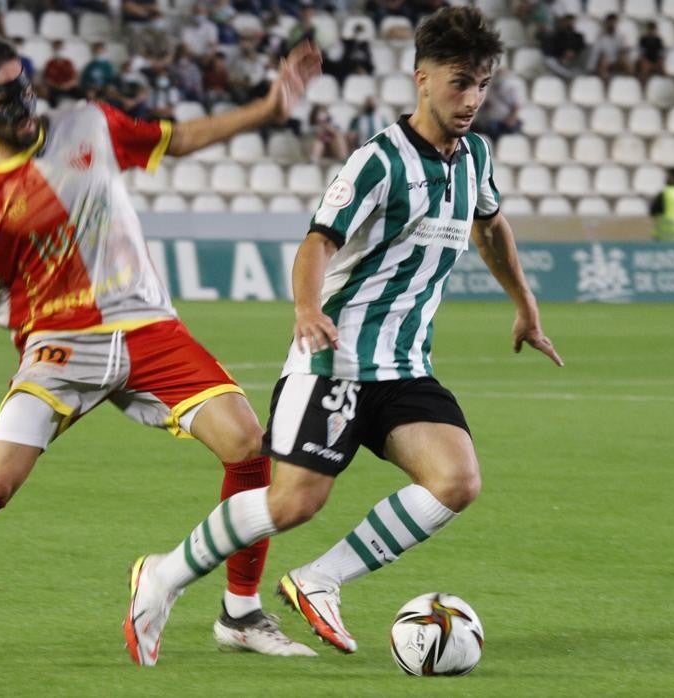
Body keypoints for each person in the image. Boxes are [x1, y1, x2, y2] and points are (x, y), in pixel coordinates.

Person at [0, 36, 325, 661]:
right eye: (1, 96)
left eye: (23, 86)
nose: (20, 102)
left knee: (246, 444)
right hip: (59, 346)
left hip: (148, 327)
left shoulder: (89, 124)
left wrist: (267, 108)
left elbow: (173, 139)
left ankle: (240, 612)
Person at [123, 6, 563, 666]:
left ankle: (319, 580)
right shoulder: (377, 162)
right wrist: (306, 309)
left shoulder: (475, 157)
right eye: (459, 82)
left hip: (404, 366)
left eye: (482, 84)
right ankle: (162, 575)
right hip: (335, 360)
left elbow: (491, 227)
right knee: (294, 501)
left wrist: (525, 306)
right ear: (422, 78)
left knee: (457, 480)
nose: (471, 99)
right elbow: (315, 244)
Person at [470, 65, 524, 142]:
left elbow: (516, 107)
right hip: (490, 120)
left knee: (494, 128)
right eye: (497, 74)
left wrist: (510, 119)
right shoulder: (489, 89)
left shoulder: (511, 90)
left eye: (501, 75)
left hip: (504, 122)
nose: (499, 77)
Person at [585, 13, 632, 81]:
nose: (612, 24)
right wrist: (591, 68)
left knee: (625, 59)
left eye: (613, 22)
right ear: (606, 23)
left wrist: (622, 54)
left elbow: (622, 50)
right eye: (610, 22)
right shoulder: (601, 37)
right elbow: (595, 53)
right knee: (604, 60)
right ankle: (605, 85)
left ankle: (631, 81)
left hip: (616, 61)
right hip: (604, 62)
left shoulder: (620, 37)